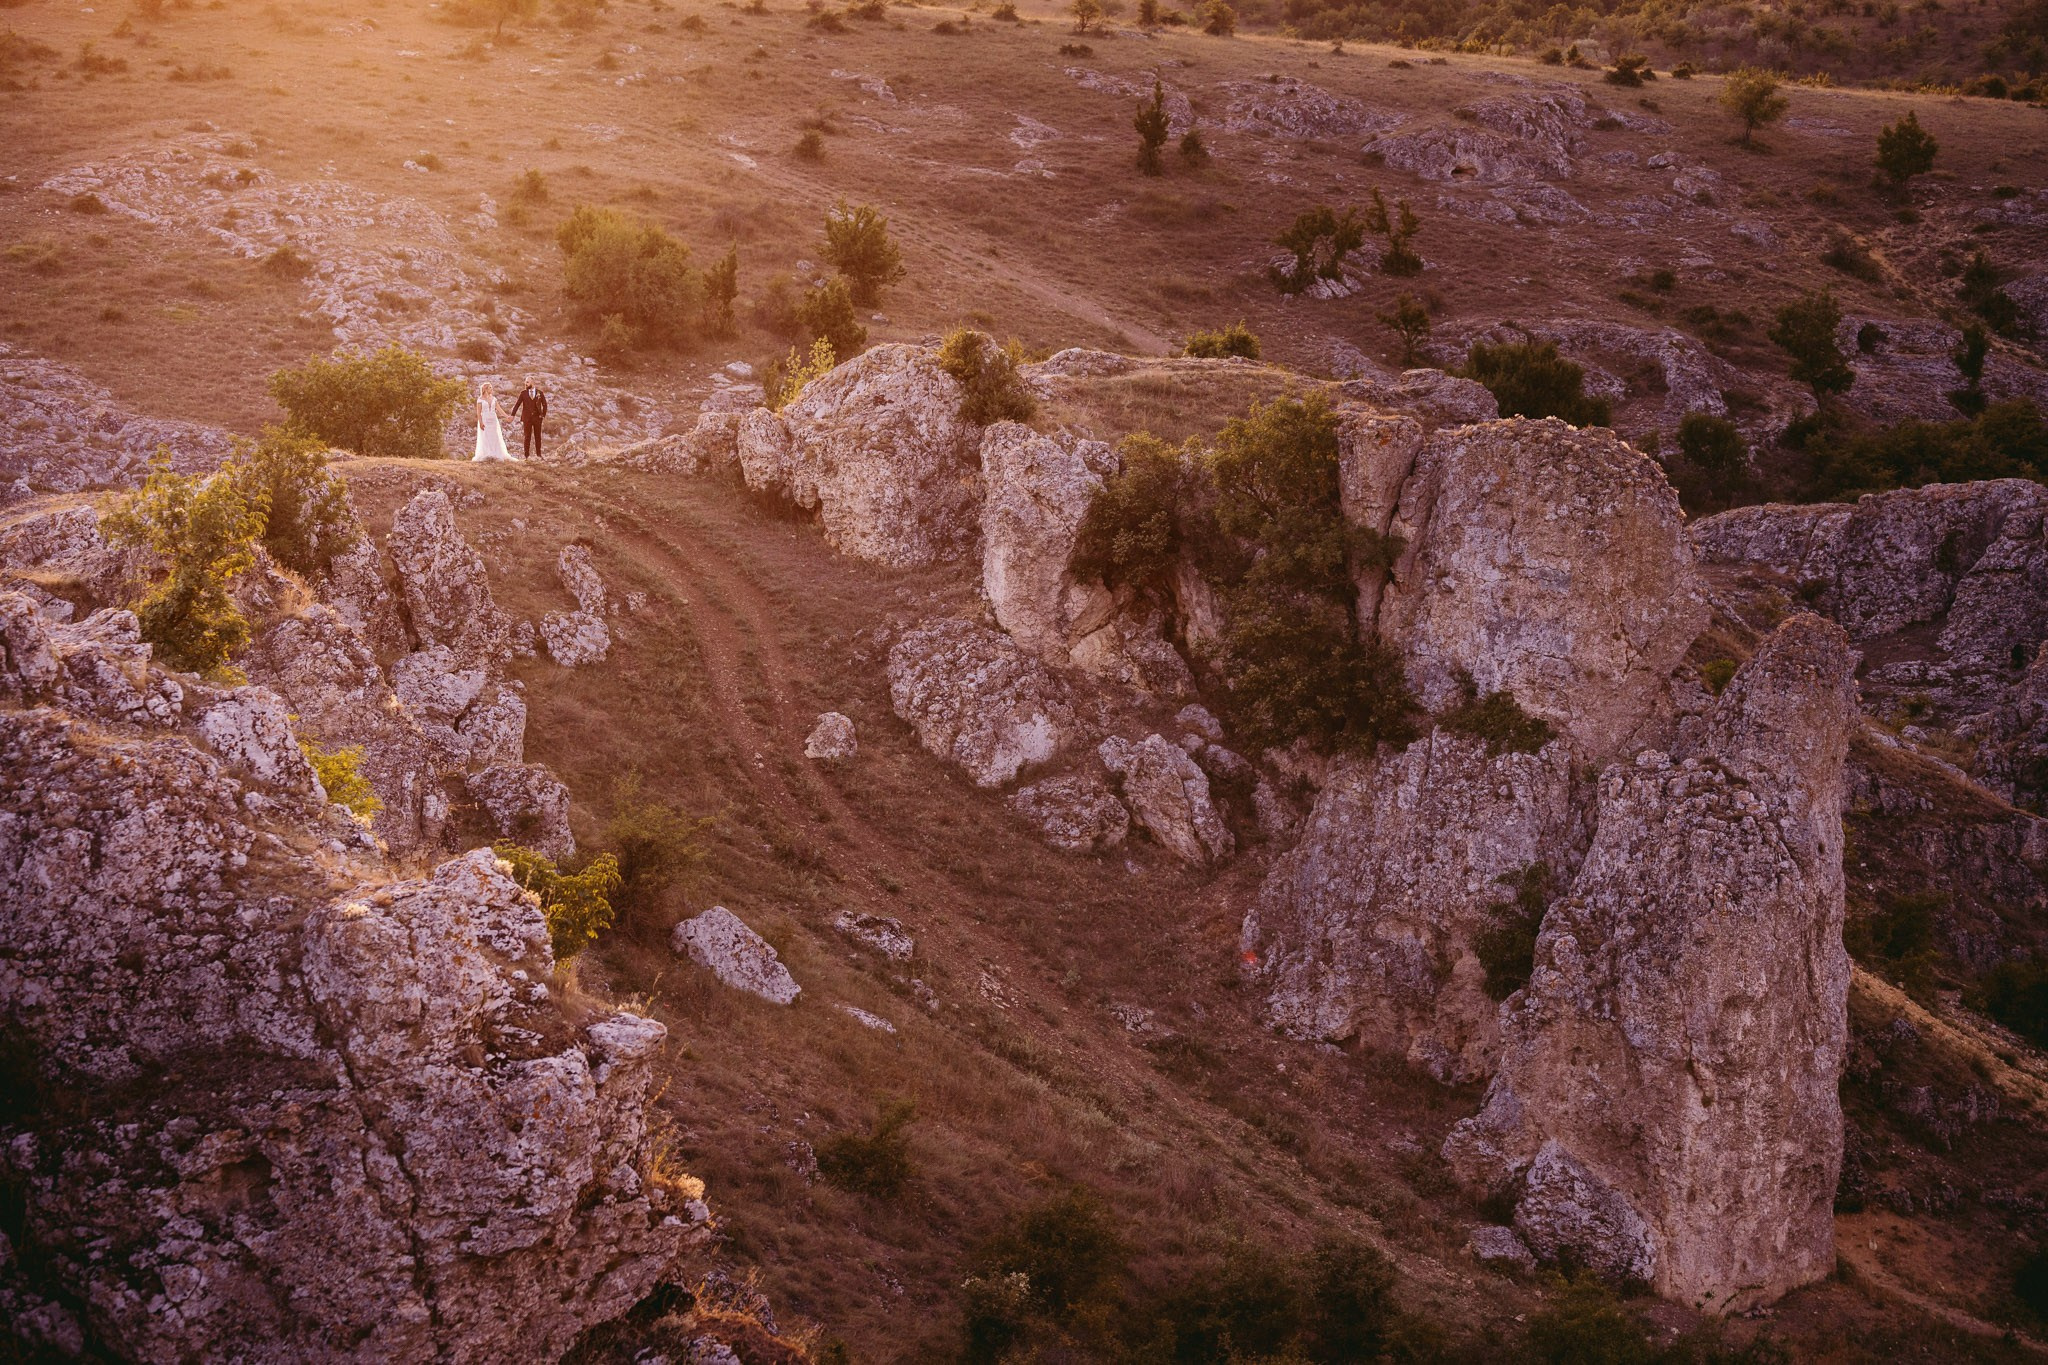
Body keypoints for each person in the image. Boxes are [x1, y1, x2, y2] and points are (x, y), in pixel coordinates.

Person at [473, 382, 514, 462]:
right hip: (484, 419)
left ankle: (496, 454)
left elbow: (499, 409)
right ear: (485, 389)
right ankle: (487, 453)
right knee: (485, 436)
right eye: (490, 388)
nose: (492, 389)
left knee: (494, 436)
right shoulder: (480, 400)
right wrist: (481, 422)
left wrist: (507, 416)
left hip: (493, 420)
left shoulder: (494, 399)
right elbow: (478, 413)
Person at [512, 380, 548, 460]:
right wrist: (512, 415)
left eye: (527, 382)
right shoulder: (523, 393)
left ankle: (539, 455)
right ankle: (526, 456)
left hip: (537, 418)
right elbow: (517, 404)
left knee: (538, 437)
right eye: (525, 382)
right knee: (527, 437)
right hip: (527, 418)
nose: (525, 383)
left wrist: (543, 415)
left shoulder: (540, 393)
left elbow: (545, 404)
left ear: (532, 382)